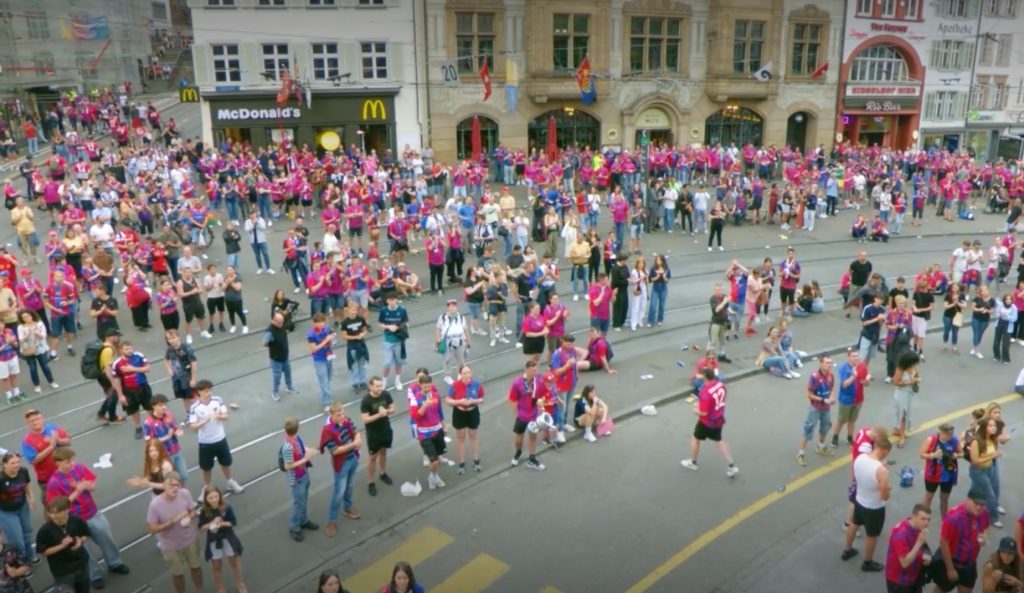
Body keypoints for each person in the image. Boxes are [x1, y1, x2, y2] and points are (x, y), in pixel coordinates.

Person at [44, 448, 130, 589]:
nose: (72, 463)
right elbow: (58, 507)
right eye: (67, 462)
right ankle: (94, 575)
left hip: (92, 512)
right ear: (58, 463)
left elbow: (92, 485)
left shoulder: (78, 467)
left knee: (107, 539)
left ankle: (115, 563)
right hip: (74, 520)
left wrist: (87, 486)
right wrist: (78, 490)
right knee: (84, 550)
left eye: (72, 460)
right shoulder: (54, 483)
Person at [144, 472, 203, 593]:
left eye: (178, 485)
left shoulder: (185, 494)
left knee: (196, 567)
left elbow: (193, 511)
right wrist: (171, 521)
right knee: (177, 574)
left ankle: (200, 590)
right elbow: (151, 529)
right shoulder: (155, 505)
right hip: (170, 547)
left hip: (190, 540)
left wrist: (190, 517)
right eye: (172, 485)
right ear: (164, 485)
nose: (175, 488)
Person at [842, 437, 893, 573]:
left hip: (859, 499)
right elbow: (884, 495)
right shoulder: (881, 471)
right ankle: (867, 562)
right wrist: (888, 489)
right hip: (874, 507)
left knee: (854, 524)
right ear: (885, 451)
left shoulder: (860, 458)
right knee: (872, 535)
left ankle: (847, 550)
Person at [187, 380, 245, 496]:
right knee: (206, 468)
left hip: (220, 439)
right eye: (206, 391)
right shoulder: (195, 407)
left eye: (210, 390)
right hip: (205, 442)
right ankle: (206, 488)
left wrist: (219, 416)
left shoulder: (217, 400)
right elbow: (192, 426)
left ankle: (230, 482)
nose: (209, 393)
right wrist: (203, 422)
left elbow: (226, 416)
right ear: (199, 392)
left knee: (225, 463)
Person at [680, 368, 739, 476]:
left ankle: (693, 462)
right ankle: (732, 465)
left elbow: (704, 413)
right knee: (719, 441)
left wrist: (695, 410)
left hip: (706, 422)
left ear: (705, 376)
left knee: (695, 438)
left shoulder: (705, 392)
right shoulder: (720, 385)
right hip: (718, 419)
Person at [931, 489, 991, 593]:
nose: (979, 507)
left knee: (967, 589)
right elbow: (944, 543)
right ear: (967, 500)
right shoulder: (953, 517)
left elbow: (985, 526)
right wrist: (950, 569)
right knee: (941, 589)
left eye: (982, 504)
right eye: (976, 503)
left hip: (970, 563)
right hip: (952, 561)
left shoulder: (984, 512)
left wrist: (984, 536)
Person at [319, 401, 362, 538]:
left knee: (350, 485)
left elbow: (356, 433)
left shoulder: (347, 420)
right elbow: (335, 451)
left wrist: (358, 440)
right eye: (338, 415)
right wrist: (354, 444)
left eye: (343, 413)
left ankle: (348, 508)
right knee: (338, 492)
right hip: (342, 464)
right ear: (331, 415)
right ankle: (332, 520)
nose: (342, 417)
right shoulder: (328, 430)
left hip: (353, 459)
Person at [198, 485, 248, 593]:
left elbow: (233, 522)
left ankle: (240, 584)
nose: (214, 499)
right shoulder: (204, 511)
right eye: (211, 498)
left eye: (216, 496)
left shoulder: (226, 507)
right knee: (216, 565)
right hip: (214, 540)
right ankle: (220, 588)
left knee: (234, 561)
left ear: (219, 495)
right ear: (206, 499)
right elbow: (201, 527)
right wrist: (210, 524)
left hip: (227, 538)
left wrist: (222, 523)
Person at [36, 497, 91, 593]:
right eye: (50, 513)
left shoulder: (77, 520)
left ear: (66, 511)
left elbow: (85, 534)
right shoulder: (45, 531)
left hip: (81, 564)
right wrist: (62, 546)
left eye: (56, 513)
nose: (52, 516)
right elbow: (44, 552)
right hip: (63, 571)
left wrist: (80, 541)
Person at [279, 416, 318, 542]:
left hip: (303, 473)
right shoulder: (288, 446)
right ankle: (294, 527)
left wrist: (308, 450)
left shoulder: (295, 438)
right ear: (297, 429)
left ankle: (304, 520)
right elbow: (287, 465)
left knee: (303, 499)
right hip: (296, 478)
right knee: (299, 502)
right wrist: (306, 458)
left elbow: (301, 448)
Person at [884, 504, 933, 593]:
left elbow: (922, 548)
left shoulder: (918, 527)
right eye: (923, 519)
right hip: (899, 581)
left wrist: (926, 556)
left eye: (928, 519)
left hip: (914, 576)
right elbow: (904, 563)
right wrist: (919, 543)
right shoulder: (901, 534)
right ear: (913, 516)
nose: (926, 523)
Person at [507, 361, 547, 471]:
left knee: (533, 437)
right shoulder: (517, 383)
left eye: (536, 370)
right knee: (519, 439)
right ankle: (518, 453)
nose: (535, 372)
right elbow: (512, 399)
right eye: (533, 370)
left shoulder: (538, 382)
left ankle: (532, 459)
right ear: (526, 370)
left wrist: (540, 401)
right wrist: (516, 414)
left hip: (534, 415)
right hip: (522, 415)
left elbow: (543, 395)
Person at [20, 410, 70, 495]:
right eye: (32, 421)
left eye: (37, 419)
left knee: (70, 497)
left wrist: (57, 440)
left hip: (65, 472)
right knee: (51, 504)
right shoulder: (27, 441)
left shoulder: (53, 428)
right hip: (47, 479)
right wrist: (51, 447)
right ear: (27, 423)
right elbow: (33, 460)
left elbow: (68, 442)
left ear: (42, 419)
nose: (35, 422)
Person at [0, 453, 37, 567]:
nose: (16, 465)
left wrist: (31, 499)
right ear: (4, 465)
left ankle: (30, 556)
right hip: (7, 513)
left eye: (18, 462)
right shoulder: (1, 479)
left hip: (22, 507)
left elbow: (27, 485)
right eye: (12, 463)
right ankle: (21, 564)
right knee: (17, 541)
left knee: (27, 534)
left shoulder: (23, 471)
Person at [445, 364, 484, 475]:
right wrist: (459, 402)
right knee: (460, 438)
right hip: (459, 413)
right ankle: (461, 463)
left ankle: (476, 461)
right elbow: (448, 400)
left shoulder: (476, 384)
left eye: (468, 373)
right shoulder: (455, 385)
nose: (467, 375)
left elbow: (481, 399)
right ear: (460, 375)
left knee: (473, 436)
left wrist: (473, 401)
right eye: (464, 373)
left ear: (471, 374)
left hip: (473, 412)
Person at [111, 340, 153, 439]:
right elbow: (116, 380)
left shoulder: (138, 355)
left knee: (150, 407)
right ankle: (138, 428)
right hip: (129, 390)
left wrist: (133, 369)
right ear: (121, 350)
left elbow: (148, 368)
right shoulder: (117, 363)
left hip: (143, 386)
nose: (129, 351)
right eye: (126, 349)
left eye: (130, 348)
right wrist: (120, 395)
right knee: (133, 410)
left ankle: (153, 424)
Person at [797, 355, 834, 465]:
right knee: (808, 429)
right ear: (821, 364)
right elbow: (809, 394)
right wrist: (823, 400)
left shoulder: (831, 375)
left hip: (826, 408)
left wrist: (832, 397)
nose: (829, 365)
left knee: (826, 426)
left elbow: (832, 388)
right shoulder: (815, 377)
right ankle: (801, 453)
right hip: (816, 408)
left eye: (830, 363)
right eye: (827, 363)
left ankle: (821, 446)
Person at [967, 416, 1003, 528]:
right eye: (990, 426)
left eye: (994, 426)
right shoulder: (976, 441)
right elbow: (975, 461)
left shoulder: (993, 438)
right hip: (978, 471)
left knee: (978, 490)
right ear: (984, 427)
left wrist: (994, 455)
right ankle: (993, 518)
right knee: (990, 495)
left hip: (990, 468)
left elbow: (992, 453)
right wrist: (992, 456)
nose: (994, 428)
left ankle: (970, 510)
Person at [920, 423, 961, 519]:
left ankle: (944, 520)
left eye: (951, 435)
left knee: (944, 499)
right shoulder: (931, 440)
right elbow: (921, 454)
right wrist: (932, 455)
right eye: (947, 435)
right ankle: (921, 518)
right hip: (933, 475)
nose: (949, 437)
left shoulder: (954, 440)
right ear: (940, 432)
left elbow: (962, 453)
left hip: (948, 475)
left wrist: (956, 455)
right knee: (928, 498)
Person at [16, 309, 57, 394]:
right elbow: (20, 339)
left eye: (27, 316)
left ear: (32, 315)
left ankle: (51, 381)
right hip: (28, 349)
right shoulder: (21, 327)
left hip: (40, 348)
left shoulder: (39, 324)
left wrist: (36, 332)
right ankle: (36, 384)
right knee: (32, 368)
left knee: (44, 365)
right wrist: (26, 335)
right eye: (23, 317)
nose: (26, 318)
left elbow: (44, 336)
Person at [264, 312, 298, 402]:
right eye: (279, 322)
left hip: (284, 355)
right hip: (276, 358)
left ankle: (289, 387)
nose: (281, 324)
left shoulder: (282, 326)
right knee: (277, 375)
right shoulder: (270, 331)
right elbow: (264, 343)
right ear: (274, 321)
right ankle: (275, 392)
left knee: (288, 372)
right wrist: (273, 345)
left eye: (282, 322)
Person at [378, 293, 409, 391]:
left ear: (396, 300)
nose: (392, 302)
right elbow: (380, 324)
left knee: (398, 362)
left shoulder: (402, 310)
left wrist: (398, 327)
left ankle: (397, 380)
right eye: (390, 300)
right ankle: (384, 381)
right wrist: (388, 327)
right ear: (387, 301)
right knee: (387, 363)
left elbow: (407, 323)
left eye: (393, 299)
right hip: (388, 340)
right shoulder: (383, 311)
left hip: (399, 340)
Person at [435, 299, 470, 384]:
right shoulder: (442, 317)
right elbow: (438, 329)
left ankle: (460, 373)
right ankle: (447, 376)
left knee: (461, 358)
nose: (452, 308)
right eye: (450, 306)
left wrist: (468, 340)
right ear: (448, 308)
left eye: (454, 306)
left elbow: (465, 329)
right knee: (447, 359)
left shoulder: (461, 317)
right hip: (447, 340)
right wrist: (438, 340)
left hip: (460, 340)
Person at [892, 351, 922, 449]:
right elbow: (896, 382)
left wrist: (917, 379)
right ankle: (902, 437)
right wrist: (910, 381)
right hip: (901, 394)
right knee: (902, 415)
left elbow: (916, 375)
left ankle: (898, 430)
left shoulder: (912, 368)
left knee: (907, 413)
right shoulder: (900, 369)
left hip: (909, 394)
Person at [307, 313, 335, 412]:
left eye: (323, 322)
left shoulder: (327, 329)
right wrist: (325, 341)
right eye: (319, 322)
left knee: (328, 379)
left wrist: (331, 339)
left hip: (328, 356)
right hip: (319, 359)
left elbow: (331, 342)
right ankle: (327, 403)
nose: (321, 324)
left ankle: (326, 399)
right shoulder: (311, 333)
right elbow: (314, 349)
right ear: (314, 323)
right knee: (324, 381)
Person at [341, 300, 370, 393]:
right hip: (352, 346)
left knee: (361, 364)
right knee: (353, 365)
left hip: (361, 344)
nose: (354, 312)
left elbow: (364, 329)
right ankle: (354, 383)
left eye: (356, 310)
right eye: (352, 310)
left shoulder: (360, 319)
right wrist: (356, 337)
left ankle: (362, 381)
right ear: (348, 310)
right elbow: (344, 336)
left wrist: (363, 334)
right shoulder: (345, 322)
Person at [708, 284, 732, 363]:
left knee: (722, 341)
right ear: (715, 291)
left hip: (723, 323)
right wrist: (725, 301)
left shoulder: (724, 296)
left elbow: (727, 307)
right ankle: (709, 359)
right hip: (715, 323)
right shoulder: (713, 299)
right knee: (713, 342)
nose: (721, 291)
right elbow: (717, 310)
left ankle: (721, 356)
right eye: (719, 290)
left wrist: (731, 312)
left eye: (722, 289)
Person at [243, 211, 273, 275]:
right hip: (253, 241)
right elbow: (247, 229)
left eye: (253, 214)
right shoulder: (247, 221)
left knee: (265, 254)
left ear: (255, 214)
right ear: (249, 215)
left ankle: (269, 268)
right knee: (257, 255)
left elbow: (263, 228)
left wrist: (257, 223)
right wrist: (253, 224)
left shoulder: (260, 219)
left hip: (262, 240)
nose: (252, 215)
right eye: (251, 214)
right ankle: (260, 268)